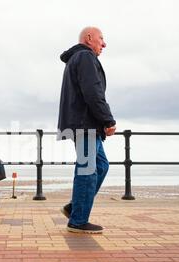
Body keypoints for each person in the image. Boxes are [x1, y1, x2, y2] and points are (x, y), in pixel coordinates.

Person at [57, 26, 117, 234]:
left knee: (100, 166)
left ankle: (75, 208)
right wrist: (108, 120)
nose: (104, 43)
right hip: (85, 125)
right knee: (88, 170)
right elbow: (93, 92)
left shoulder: (79, 58)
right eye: (102, 38)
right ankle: (78, 220)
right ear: (89, 38)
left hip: (85, 125)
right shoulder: (85, 57)